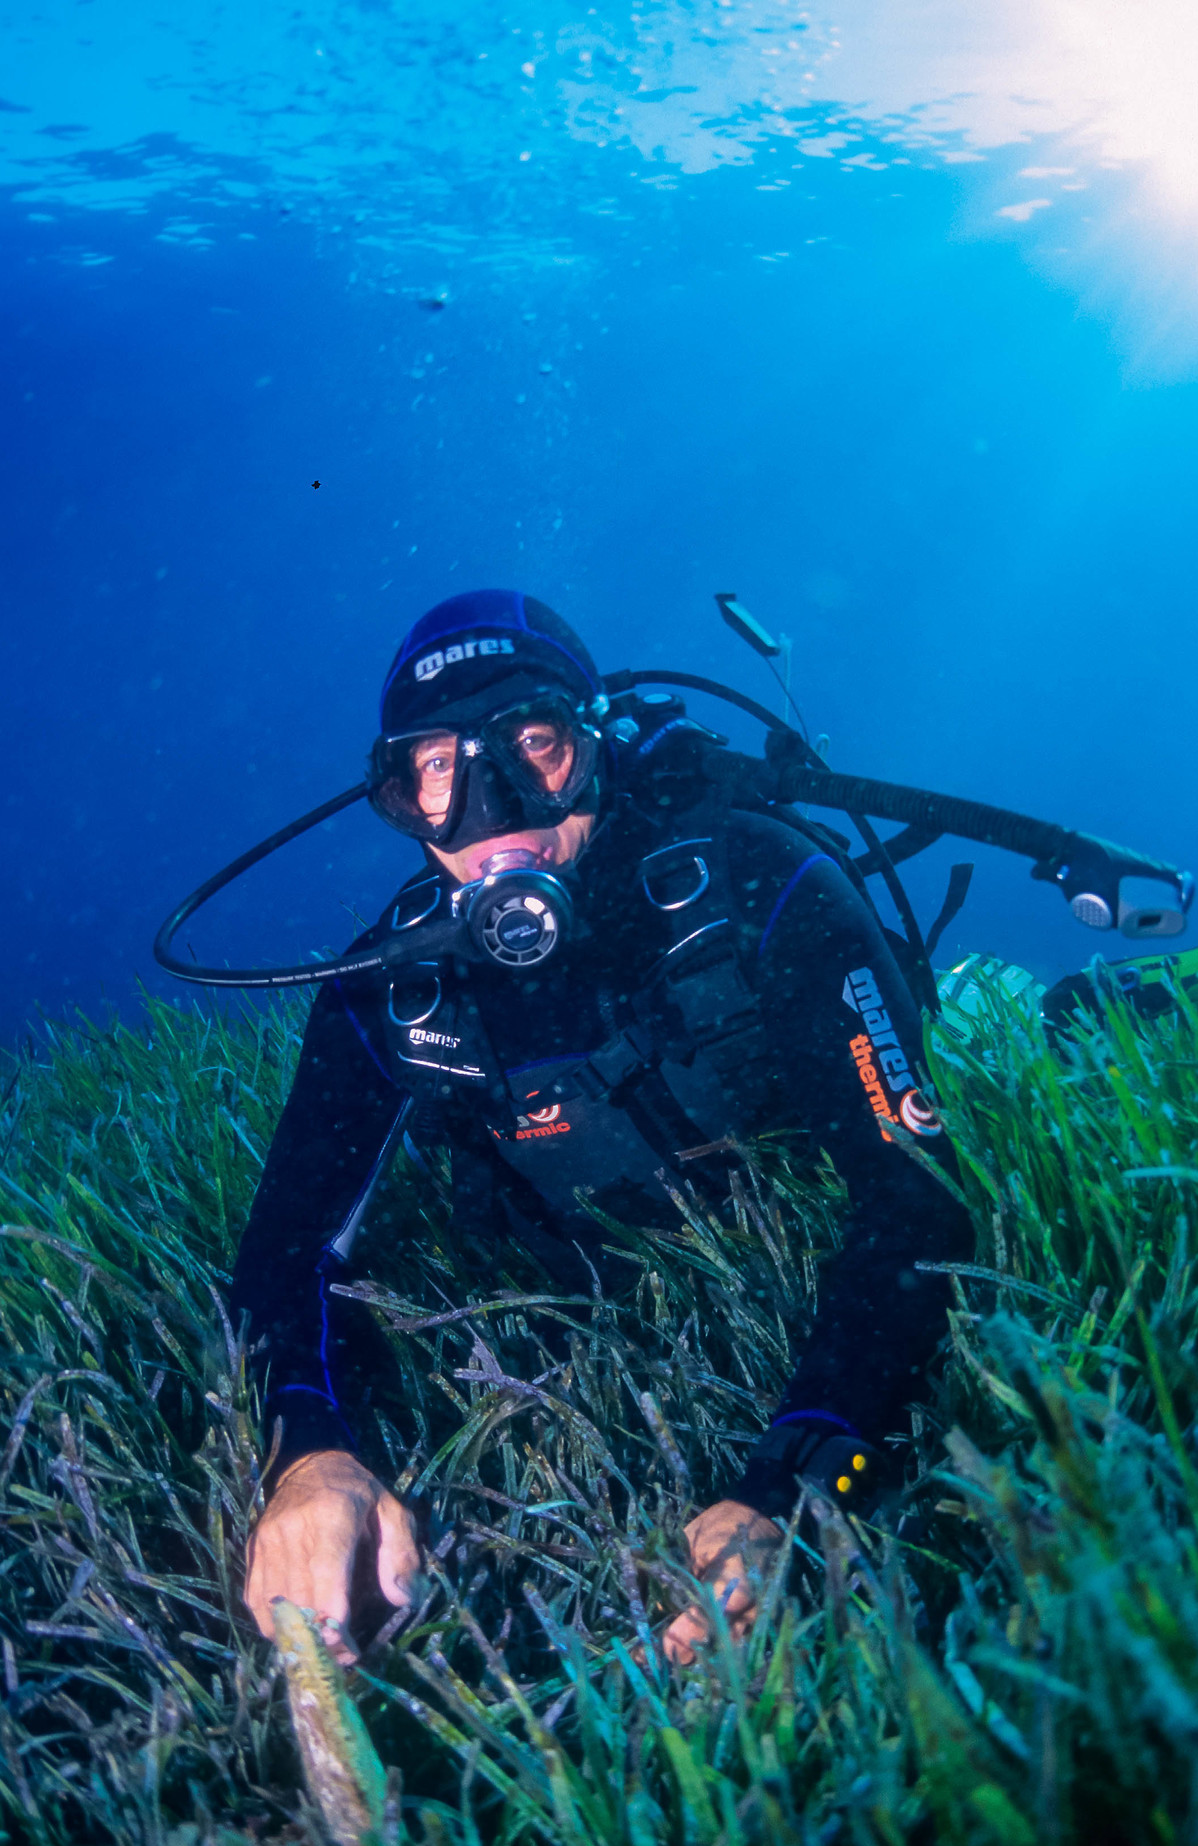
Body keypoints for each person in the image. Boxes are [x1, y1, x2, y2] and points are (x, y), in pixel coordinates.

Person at [231, 590, 972, 1670]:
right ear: (398, 796)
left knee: (993, 1026)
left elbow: (918, 1201)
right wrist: (311, 1454)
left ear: (597, 744)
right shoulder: (384, 990)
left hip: (805, 1110)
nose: (488, 808)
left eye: (532, 746)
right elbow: (287, 1252)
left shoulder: (764, 883)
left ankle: (1056, 1001)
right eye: (433, 771)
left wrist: (797, 1486)